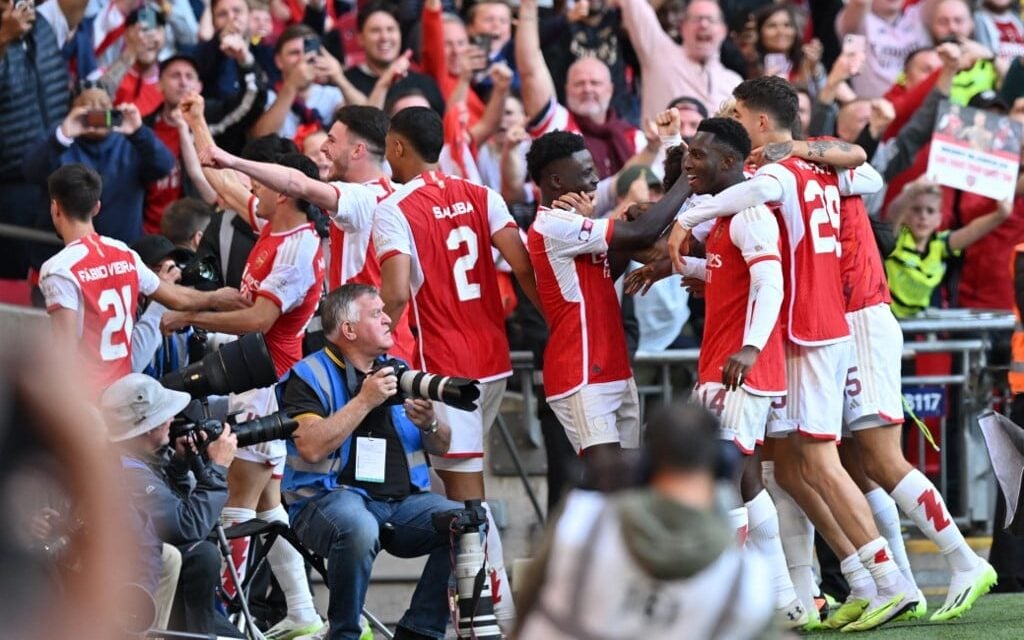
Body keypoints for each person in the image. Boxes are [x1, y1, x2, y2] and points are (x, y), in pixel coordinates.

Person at [670, 76, 918, 631]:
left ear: (759, 122)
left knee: (817, 462)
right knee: (794, 466)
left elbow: (752, 194)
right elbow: (867, 169)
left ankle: (894, 579)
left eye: (737, 111)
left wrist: (686, 217)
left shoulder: (774, 175)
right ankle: (858, 577)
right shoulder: (824, 167)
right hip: (818, 325)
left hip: (806, 327)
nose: (730, 116)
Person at [373, 106, 540, 629]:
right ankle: (491, 610)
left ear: (398, 147)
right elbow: (523, 263)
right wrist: (554, 321)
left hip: (448, 370)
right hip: (494, 359)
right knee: (460, 490)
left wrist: (372, 343)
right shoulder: (482, 194)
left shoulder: (393, 208)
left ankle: (491, 619)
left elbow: (397, 291)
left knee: (466, 501)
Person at [166, 94, 326, 640]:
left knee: (235, 498)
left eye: (265, 179)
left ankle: (229, 618)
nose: (252, 185)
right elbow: (224, 185)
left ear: (286, 192)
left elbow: (258, 317)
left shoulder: (299, 248)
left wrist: (191, 311)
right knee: (266, 501)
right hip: (261, 377)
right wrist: (195, 121)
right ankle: (303, 613)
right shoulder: (273, 225)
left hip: (267, 383)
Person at [278, 283, 462, 640]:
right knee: (359, 527)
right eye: (375, 313)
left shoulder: (400, 371)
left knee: (468, 523)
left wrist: (430, 423)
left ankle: (420, 632)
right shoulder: (308, 375)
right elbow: (311, 448)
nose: (387, 318)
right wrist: (365, 400)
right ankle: (345, 634)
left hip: (403, 503)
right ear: (348, 330)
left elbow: (442, 443)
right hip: (326, 501)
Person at [514, 402, 775, 639]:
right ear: (722, 468)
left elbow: (526, 609)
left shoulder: (581, 523)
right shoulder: (746, 581)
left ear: (644, 464)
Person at [523, 123, 690, 468]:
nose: (596, 180)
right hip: (581, 370)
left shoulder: (575, 224)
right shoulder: (553, 225)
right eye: (586, 172)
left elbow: (606, 272)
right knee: (607, 479)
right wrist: (689, 180)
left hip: (612, 366)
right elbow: (642, 231)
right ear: (555, 181)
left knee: (624, 481)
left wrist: (629, 223)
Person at [37, 164, 248, 397]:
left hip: (87, 399)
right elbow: (178, 298)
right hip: (125, 397)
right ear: (96, 207)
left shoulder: (59, 269)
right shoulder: (123, 253)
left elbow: (63, 353)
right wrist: (216, 297)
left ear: (55, 208)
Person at [101, 373, 243, 638]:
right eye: (164, 415)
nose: (171, 420)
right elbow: (187, 526)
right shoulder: (128, 472)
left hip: (158, 583)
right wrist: (219, 468)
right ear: (147, 427)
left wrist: (179, 465)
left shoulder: (132, 459)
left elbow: (165, 513)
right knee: (203, 555)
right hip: (142, 590)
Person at [515, 0, 647, 179]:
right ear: (567, 89)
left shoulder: (635, 137)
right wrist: (528, 9)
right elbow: (530, 70)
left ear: (610, 89)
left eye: (595, 83)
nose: (587, 89)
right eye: (579, 83)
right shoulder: (558, 125)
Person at [0, 0, 68, 280]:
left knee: (55, 270)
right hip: (12, 177)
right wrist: (3, 36)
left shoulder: (42, 24)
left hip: (57, 167)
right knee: (12, 271)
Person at [884, 179, 1011, 318]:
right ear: (905, 215)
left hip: (918, 324)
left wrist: (1000, 216)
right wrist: (910, 192)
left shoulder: (939, 245)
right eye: (916, 209)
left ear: (939, 219)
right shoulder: (896, 238)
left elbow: (972, 231)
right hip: (887, 318)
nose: (923, 216)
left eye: (930, 211)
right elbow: (893, 213)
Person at [616, 0, 742, 123]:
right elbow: (635, 5)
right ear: (682, 26)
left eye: (711, 19)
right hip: (660, 143)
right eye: (696, 19)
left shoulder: (734, 83)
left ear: (723, 30)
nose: (704, 24)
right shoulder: (658, 53)